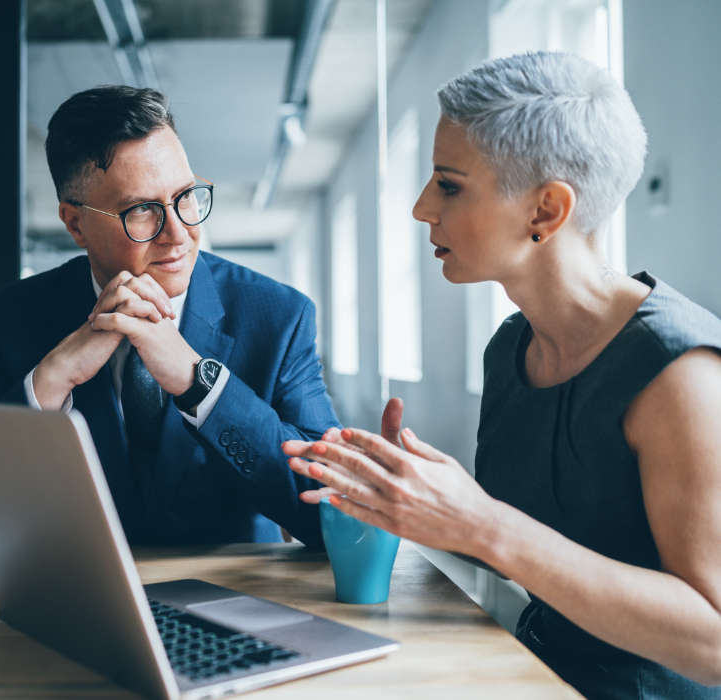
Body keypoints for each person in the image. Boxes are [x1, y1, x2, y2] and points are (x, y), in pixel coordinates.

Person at [283, 52, 721, 700]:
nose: (421, 207)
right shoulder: (510, 349)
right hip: (530, 674)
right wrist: (406, 498)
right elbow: (529, 557)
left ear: (546, 210)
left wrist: (481, 522)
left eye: (449, 184)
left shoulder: (680, 373)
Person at [0, 85, 338, 550]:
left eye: (186, 196)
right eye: (142, 211)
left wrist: (201, 384)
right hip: (80, 601)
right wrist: (51, 380)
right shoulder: (13, 318)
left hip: (234, 599)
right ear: (75, 224)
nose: (179, 234)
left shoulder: (279, 316)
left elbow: (329, 513)